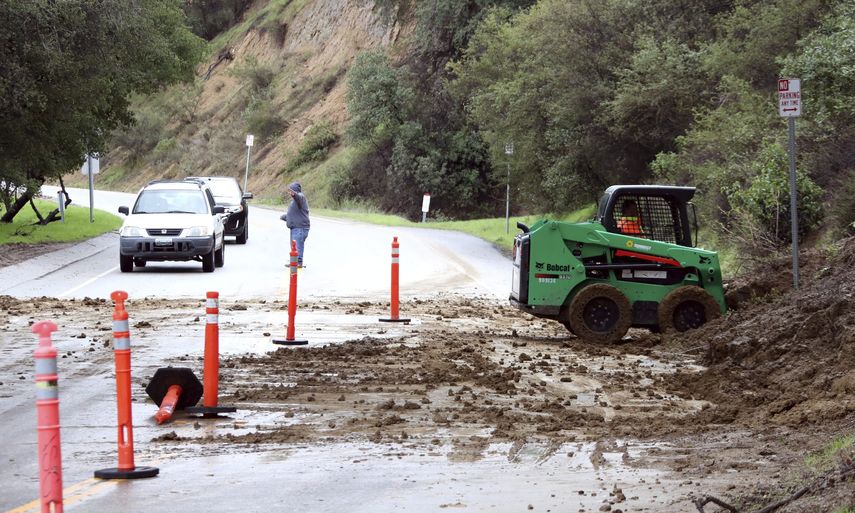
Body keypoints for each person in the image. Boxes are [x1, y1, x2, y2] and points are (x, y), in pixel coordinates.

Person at [283, 182, 310, 268]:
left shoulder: (300, 197)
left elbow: (298, 197)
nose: (289, 193)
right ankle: (293, 262)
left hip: (300, 228)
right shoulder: (295, 201)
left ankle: (298, 262)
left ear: (295, 191)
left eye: (291, 191)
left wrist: (295, 194)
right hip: (295, 228)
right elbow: (296, 213)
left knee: (298, 245)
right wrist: (286, 217)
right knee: (294, 247)